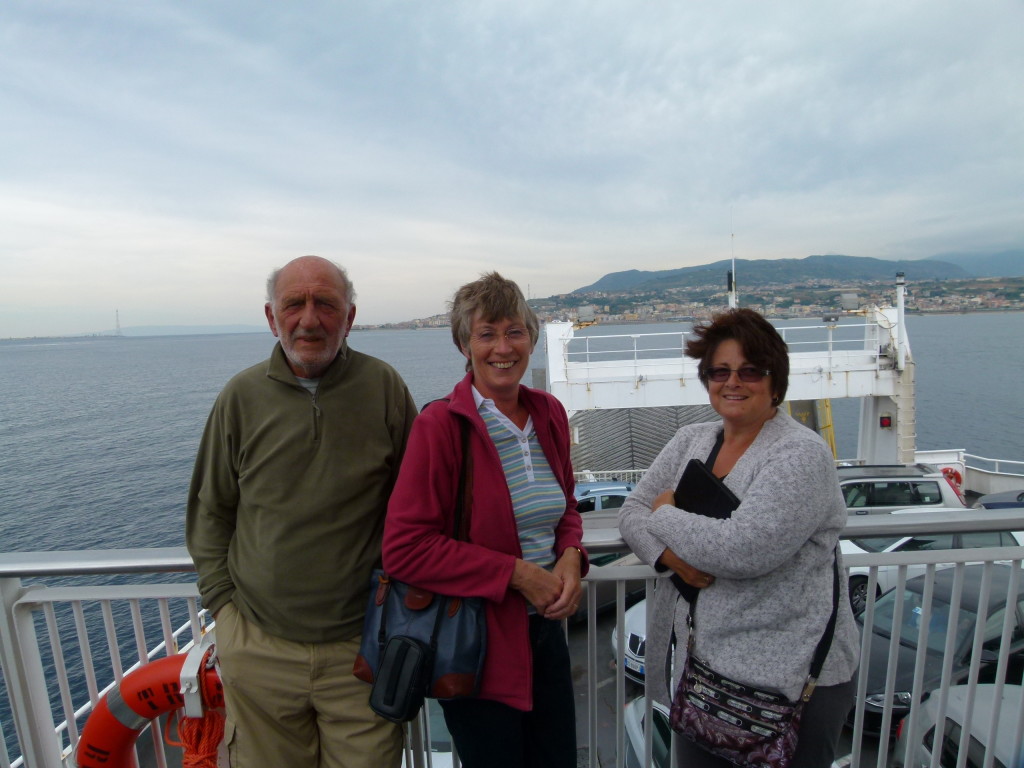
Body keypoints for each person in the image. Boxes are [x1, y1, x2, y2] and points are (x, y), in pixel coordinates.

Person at [186, 255, 417, 768]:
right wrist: (224, 610)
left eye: (325, 304)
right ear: (272, 317)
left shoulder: (384, 389)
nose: (309, 319)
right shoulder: (240, 398)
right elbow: (209, 512)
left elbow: (419, 506)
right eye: (294, 304)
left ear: (349, 317)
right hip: (260, 648)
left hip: (363, 649)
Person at [617, 307, 860, 768]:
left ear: (775, 379)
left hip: (791, 681)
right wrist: (671, 558)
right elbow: (631, 510)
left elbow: (743, 549)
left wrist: (665, 514)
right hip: (704, 670)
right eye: (720, 371)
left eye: (750, 370)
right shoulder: (693, 439)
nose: (734, 382)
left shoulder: (800, 454)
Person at [382, 272, 588, 768]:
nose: (503, 347)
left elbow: (568, 508)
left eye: (515, 331)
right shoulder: (441, 427)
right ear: (464, 345)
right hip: (477, 648)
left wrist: (571, 557)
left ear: (532, 340)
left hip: (546, 639)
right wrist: (517, 575)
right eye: (487, 333)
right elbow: (405, 547)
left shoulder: (549, 414)